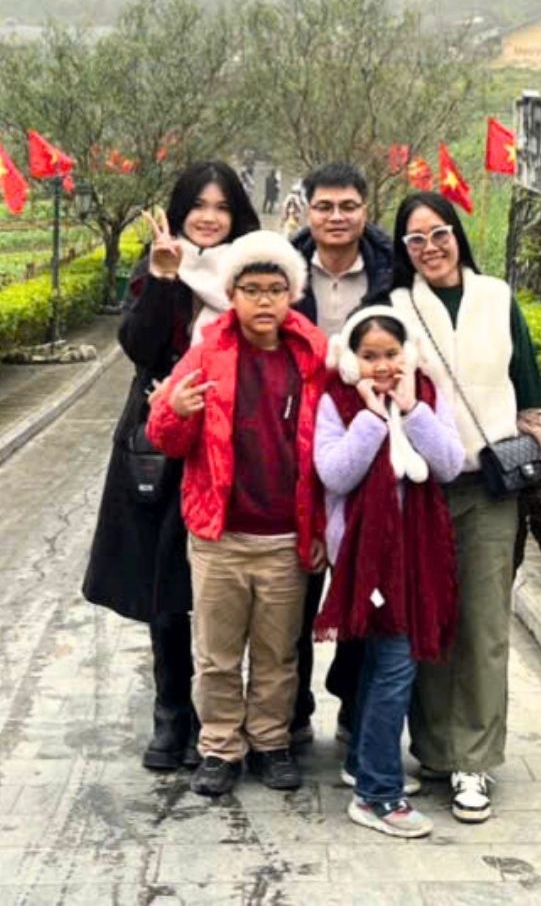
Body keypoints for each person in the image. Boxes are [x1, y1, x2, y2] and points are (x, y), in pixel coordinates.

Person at [82, 162, 261, 772]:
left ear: (237, 215)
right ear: (180, 210)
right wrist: (163, 277)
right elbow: (137, 346)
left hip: (233, 448)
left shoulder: (253, 271)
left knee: (237, 587)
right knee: (167, 585)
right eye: (197, 206)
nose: (208, 218)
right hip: (163, 445)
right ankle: (171, 712)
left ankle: (244, 716)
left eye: (221, 207)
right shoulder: (163, 261)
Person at [146, 230, 328, 798]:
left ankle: (270, 743)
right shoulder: (207, 352)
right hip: (220, 536)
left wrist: (319, 529)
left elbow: (330, 448)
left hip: (285, 537)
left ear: (293, 294)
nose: (265, 301)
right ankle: (220, 747)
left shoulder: (315, 355)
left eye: (277, 289)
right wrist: (173, 411)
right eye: (252, 289)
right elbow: (165, 438)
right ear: (233, 294)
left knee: (278, 655)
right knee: (218, 655)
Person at [387, 192, 541, 824]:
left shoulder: (497, 298)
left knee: (483, 625)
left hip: (489, 485)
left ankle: (474, 759)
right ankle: (433, 749)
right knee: (430, 623)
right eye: (415, 240)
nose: (430, 247)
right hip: (421, 488)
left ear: (459, 233)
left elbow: (529, 389)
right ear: (403, 251)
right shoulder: (396, 307)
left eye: (439, 233)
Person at [315, 307, 463, 839]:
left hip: (418, 555)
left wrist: (411, 410)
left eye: (391, 354)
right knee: (394, 667)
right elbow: (333, 472)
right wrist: (373, 419)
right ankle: (378, 793)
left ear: (409, 354)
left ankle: (364, 763)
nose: (382, 366)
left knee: (384, 665)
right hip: (366, 560)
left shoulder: (425, 392)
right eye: (369, 356)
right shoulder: (336, 400)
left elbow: (448, 463)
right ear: (350, 359)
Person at [289, 163, 398, 744]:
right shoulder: (283, 273)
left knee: (366, 585)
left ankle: (355, 704)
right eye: (325, 206)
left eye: (348, 205)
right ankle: (293, 711)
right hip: (299, 444)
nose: (337, 217)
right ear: (308, 210)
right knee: (298, 590)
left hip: (372, 442)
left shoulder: (390, 272)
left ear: (365, 207)